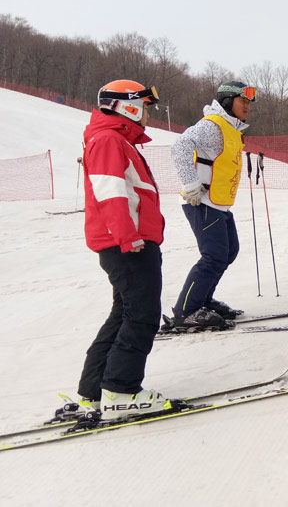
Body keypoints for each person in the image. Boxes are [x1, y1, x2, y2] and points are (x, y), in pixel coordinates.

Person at [77, 79, 169, 421]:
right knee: (142, 314)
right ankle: (121, 389)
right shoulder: (108, 140)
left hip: (128, 241)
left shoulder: (116, 140)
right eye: (144, 106)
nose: (147, 114)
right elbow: (111, 192)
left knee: (124, 313)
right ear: (126, 105)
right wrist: (128, 237)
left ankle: (95, 389)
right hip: (127, 244)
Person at [171, 81, 256, 328]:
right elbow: (180, 146)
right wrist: (190, 183)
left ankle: (203, 301)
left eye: (249, 102)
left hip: (218, 205)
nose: (247, 107)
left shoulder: (230, 128)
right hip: (201, 202)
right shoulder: (212, 125)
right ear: (228, 102)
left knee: (229, 252)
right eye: (243, 101)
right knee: (214, 257)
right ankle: (185, 311)